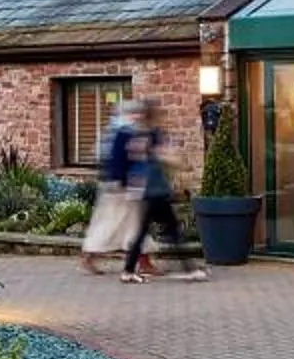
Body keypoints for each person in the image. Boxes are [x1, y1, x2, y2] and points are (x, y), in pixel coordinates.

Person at [122, 101, 204, 283]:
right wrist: (179, 163)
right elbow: (165, 156)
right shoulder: (152, 134)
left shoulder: (139, 135)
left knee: (145, 232)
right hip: (155, 191)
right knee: (172, 231)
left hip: (147, 191)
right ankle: (190, 269)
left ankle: (128, 270)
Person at [84, 104, 142, 274]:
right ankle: (89, 254)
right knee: (115, 223)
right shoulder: (123, 132)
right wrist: (121, 181)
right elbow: (118, 160)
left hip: (121, 185)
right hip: (119, 187)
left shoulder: (117, 130)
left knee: (133, 224)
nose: (138, 116)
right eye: (135, 113)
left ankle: (144, 260)